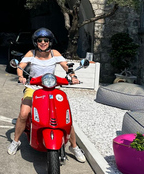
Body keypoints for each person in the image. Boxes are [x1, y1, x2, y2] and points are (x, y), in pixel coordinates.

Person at [7, 27, 86, 163]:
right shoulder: (31, 53)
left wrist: (72, 76)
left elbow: (66, 66)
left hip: (51, 87)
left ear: (50, 42)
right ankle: (16, 141)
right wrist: (21, 77)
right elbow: (21, 66)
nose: (43, 42)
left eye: (46, 40)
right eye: (40, 40)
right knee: (24, 114)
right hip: (33, 87)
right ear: (35, 42)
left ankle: (74, 146)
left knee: (65, 117)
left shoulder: (55, 53)